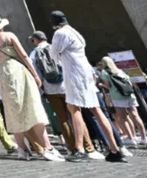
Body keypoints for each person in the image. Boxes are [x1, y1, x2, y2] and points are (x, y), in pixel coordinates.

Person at [49, 11, 126, 163]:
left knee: (74, 108)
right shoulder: (75, 32)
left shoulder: (60, 33)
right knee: (96, 110)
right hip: (86, 72)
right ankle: (114, 149)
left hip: (73, 72)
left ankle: (79, 149)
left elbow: (53, 53)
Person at [0, 15, 62, 162]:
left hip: (3, 73)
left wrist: (1, 59)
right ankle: (48, 148)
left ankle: (22, 150)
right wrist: (35, 75)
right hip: (17, 70)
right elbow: (24, 55)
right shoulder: (9, 35)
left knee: (12, 111)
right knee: (32, 106)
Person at [28, 31, 104, 160]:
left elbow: (36, 73)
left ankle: (72, 148)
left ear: (36, 40)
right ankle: (89, 147)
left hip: (50, 89)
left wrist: (42, 90)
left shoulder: (34, 53)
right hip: (67, 86)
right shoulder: (56, 47)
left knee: (62, 119)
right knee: (76, 116)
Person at [99, 56, 147, 146]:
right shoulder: (120, 71)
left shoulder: (105, 72)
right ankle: (143, 138)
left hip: (118, 97)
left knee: (123, 118)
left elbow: (108, 86)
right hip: (129, 95)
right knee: (135, 116)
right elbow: (129, 82)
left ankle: (131, 138)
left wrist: (102, 85)